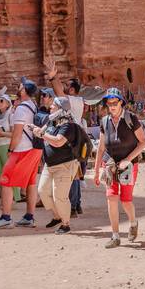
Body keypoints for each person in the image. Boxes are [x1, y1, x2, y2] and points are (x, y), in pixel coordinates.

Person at [94, 87, 145, 248]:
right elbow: (101, 148)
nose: (112, 106)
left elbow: (143, 142)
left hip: (129, 166)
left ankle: (133, 222)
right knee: (111, 198)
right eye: (109, 103)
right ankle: (115, 235)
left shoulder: (131, 118)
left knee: (125, 200)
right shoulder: (104, 121)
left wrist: (128, 159)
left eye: (114, 103)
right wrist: (96, 171)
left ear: (121, 103)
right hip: (110, 164)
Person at [0, 79, 43, 228]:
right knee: (31, 182)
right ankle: (29, 216)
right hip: (35, 148)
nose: (18, 87)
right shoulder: (33, 105)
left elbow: (17, 134)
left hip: (22, 149)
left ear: (24, 90)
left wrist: (10, 150)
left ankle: (5, 217)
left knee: (6, 181)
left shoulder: (21, 108)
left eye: (20, 86)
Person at [34, 97, 84, 234]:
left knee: (60, 197)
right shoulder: (52, 120)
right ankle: (57, 216)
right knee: (43, 191)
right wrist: (36, 130)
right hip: (49, 165)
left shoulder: (68, 125)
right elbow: (42, 133)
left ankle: (66, 224)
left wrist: (42, 134)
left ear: (61, 108)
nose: (51, 107)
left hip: (65, 165)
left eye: (54, 105)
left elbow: (58, 142)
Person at [0, 89, 18, 207]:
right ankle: (2, 200)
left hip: (6, 147)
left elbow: (14, 133)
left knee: (8, 175)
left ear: (8, 104)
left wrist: (1, 134)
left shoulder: (11, 115)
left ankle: (12, 200)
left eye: (2, 101)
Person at [64, 78, 86, 216]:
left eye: (67, 86)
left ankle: (73, 206)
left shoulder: (73, 100)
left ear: (72, 90)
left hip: (72, 140)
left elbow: (59, 92)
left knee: (72, 175)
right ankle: (77, 204)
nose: (65, 88)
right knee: (76, 174)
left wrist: (53, 78)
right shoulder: (79, 101)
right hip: (77, 138)